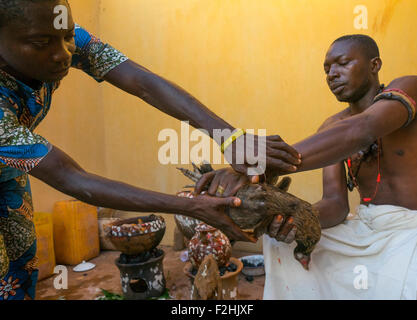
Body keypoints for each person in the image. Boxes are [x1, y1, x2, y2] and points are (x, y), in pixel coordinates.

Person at [0, 0, 303, 300]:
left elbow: (142, 82)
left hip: (9, 172)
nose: (62, 53)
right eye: (41, 43)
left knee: (21, 264)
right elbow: (72, 178)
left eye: (67, 37)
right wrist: (191, 206)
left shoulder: (53, 28)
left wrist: (229, 137)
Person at [195, 34, 417, 299]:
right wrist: (297, 219)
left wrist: (263, 165)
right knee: (280, 243)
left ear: (375, 65)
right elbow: (336, 204)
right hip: (367, 227)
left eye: (342, 63)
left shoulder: (411, 87)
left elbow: (362, 129)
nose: (332, 74)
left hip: (416, 227)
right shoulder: (331, 127)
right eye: (327, 69)